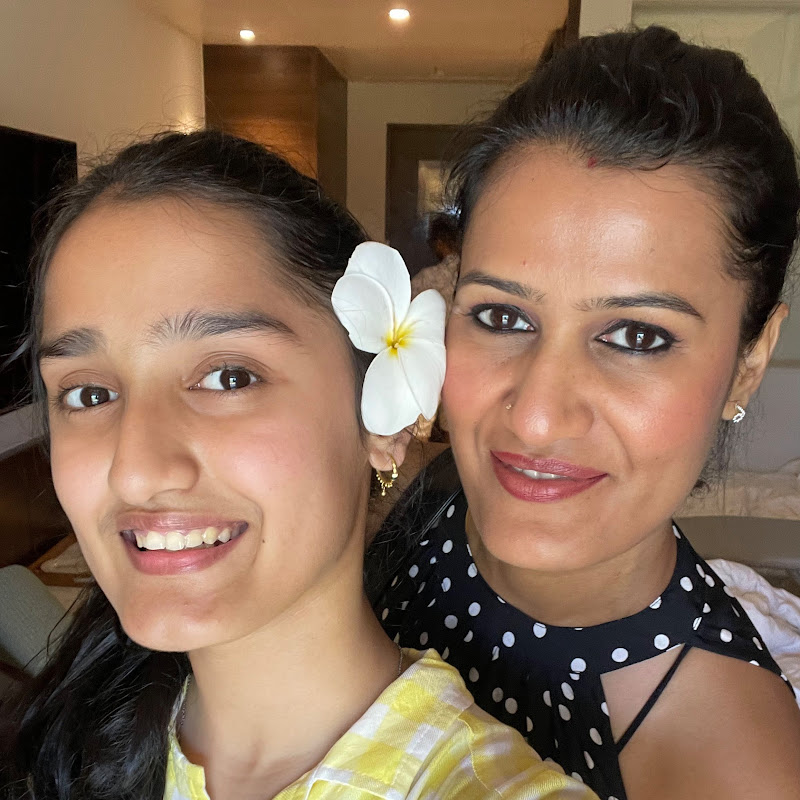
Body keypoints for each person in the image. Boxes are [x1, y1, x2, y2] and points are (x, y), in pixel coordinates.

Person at [0, 131, 594, 800]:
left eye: (229, 377)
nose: (134, 472)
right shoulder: (74, 743)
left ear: (385, 423)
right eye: (88, 394)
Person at [371, 26, 800, 800]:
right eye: (501, 317)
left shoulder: (729, 770)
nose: (536, 418)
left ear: (749, 361)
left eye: (636, 336)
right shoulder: (389, 497)